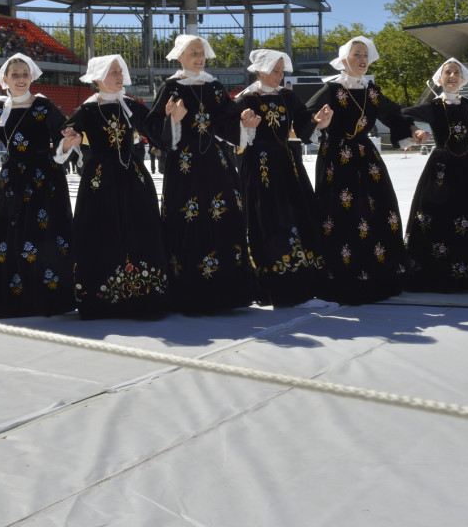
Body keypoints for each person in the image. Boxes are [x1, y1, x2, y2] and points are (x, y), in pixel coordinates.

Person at [145, 35, 257, 313]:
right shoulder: (170, 88)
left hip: (217, 165)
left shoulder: (215, 87)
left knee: (224, 218)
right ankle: (189, 292)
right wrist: (173, 120)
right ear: (179, 56)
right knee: (186, 221)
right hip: (184, 167)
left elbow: (226, 122)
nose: (199, 56)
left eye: (202, 52)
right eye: (193, 52)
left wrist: (243, 123)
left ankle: (227, 290)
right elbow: (153, 128)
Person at [0, 53, 75, 318]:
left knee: (43, 234)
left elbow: (62, 132)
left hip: (45, 177)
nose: (21, 79)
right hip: (12, 176)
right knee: (2, 233)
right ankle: (11, 294)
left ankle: (45, 295)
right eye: (16, 74)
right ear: (5, 79)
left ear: (32, 76)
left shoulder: (44, 106)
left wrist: (68, 139)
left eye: (25, 74)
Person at [57, 54, 169, 319]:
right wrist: (68, 139)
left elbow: (157, 132)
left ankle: (143, 295)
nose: (120, 76)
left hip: (133, 178)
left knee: (139, 228)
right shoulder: (86, 109)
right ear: (97, 78)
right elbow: (66, 133)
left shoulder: (131, 106)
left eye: (120, 70)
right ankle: (103, 298)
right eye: (113, 71)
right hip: (99, 181)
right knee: (102, 231)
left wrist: (172, 120)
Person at [305, 36, 415, 304]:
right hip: (336, 159)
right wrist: (318, 122)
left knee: (378, 209)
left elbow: (395, 115)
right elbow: (307, 112)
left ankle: (379, 274)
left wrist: (414, 130)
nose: (362, 59)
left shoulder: (372, 91)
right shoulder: (331, 89)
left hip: (366, 158)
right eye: (356, 54)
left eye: (365, 54)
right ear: (344, 60)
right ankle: (342, 277)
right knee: (341, 214)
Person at [400, 58, 468, 292]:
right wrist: (415, 130)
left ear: (463, 78)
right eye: (447, 72)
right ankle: (436, 276)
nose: (452, 76)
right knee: (436, 215)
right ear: (439, 79)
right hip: (440, 168)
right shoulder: (433, 107)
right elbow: (403, 114)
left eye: (456, 72)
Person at [235, 49, 330, 307]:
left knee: (298, 213)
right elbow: (232, 135)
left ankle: (304, 277)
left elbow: (303, 124)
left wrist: (317, 122)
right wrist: (244, 127)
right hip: (260, 167)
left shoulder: (288, 96)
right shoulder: (246, 99)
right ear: (260, 69)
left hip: (288, 165)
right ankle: (273, 281)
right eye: (275, 70)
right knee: (267, 217)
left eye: (281, 70)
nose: (280, 75)